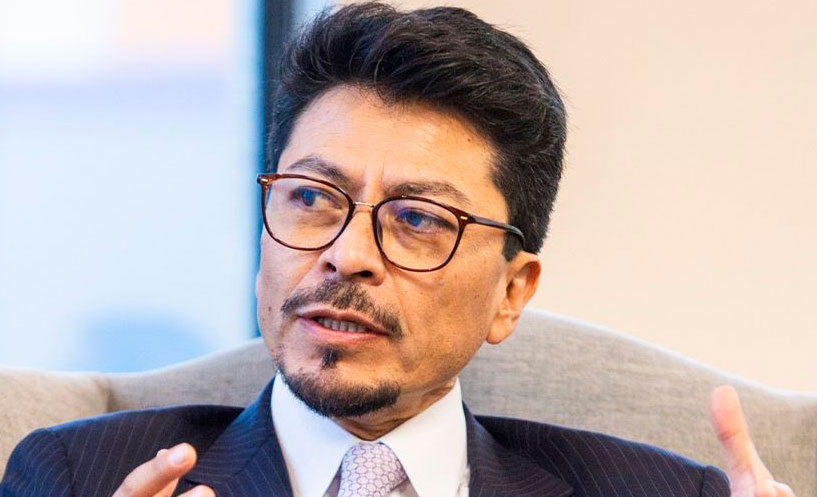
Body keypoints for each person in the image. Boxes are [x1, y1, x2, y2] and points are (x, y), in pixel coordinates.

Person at [0, 3, 797, 497]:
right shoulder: (79, 475)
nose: (347, 254)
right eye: (311, 197)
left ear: (511, 292)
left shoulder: (664, 491)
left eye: (416, 218)